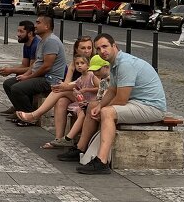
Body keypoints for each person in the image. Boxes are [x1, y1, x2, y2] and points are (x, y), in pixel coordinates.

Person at [58, 33, 167, 175]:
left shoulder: (125, 64)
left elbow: (121, 99)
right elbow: (111, 90)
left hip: (151, 107)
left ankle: (101, 161)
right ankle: (81, 148)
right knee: (93, 106)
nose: (102, 51)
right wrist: (98, 106)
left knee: (107, 112)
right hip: (136, 103)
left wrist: (103, 110)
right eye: (98, 48)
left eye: (105, 46)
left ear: (114, 46)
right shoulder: (115, 63)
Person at [3, 14, 67, 111]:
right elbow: (36, 63)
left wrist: (28, 77)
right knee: (8, 83)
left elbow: (46, 66)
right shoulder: (43, 41)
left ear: (47, 26)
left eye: (38, 23)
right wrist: (25, 75)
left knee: (17, 88)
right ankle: (19, 110)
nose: (35, 26)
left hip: (50, 79)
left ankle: (28, 115)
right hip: (41, 77)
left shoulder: (51, 41)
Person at [0, 21, 39, 112]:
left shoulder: (36, 45)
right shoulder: (27, 44)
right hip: (32, 73)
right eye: (18, 31)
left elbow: (32, 68)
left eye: (21, 31)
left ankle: (27, 112)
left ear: (30, 33)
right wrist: (9, 70)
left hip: (39, 75)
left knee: (15, 85)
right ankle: (18, 108)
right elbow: (24, 65)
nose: (18, 34)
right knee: (9, 83)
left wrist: (11, 70)